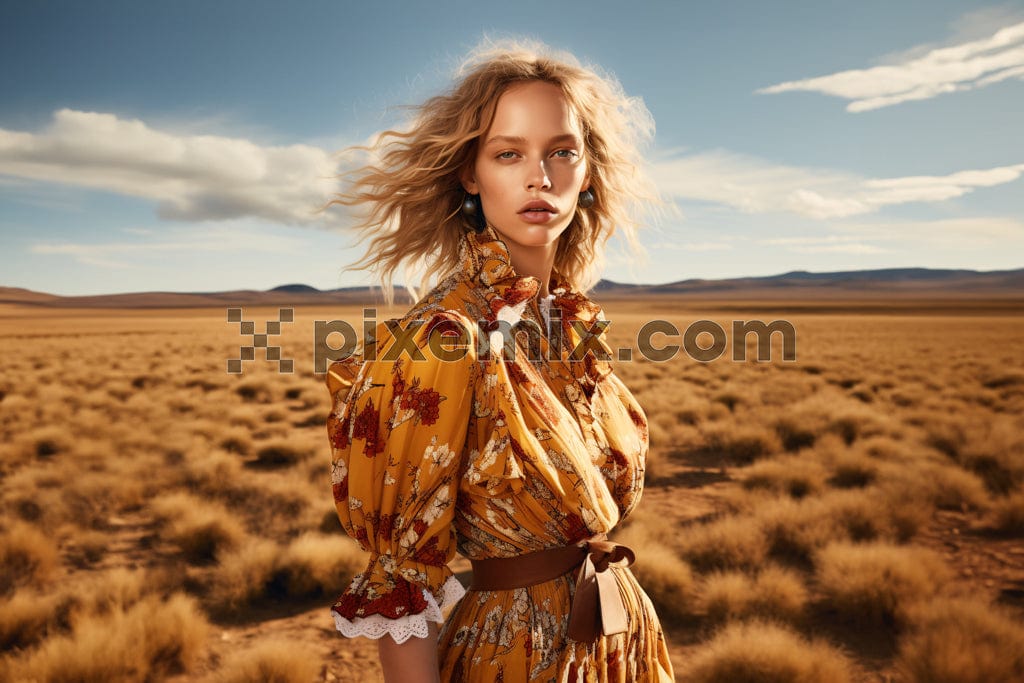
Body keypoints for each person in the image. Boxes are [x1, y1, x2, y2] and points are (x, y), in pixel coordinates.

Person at [321, 36, 674, 682]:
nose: (539, 176)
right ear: (470, 173)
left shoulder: (568, 322)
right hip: (516, 661)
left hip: (618, 651)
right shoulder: (441, 337)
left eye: (561, 152)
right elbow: (405, 578)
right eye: (508, 153)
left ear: (587, 172)